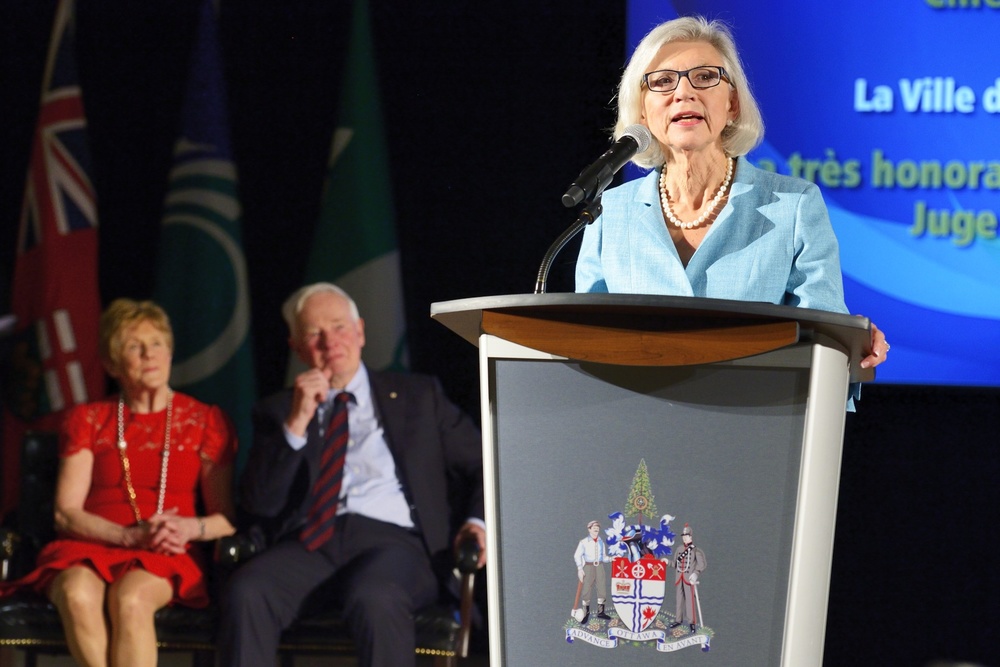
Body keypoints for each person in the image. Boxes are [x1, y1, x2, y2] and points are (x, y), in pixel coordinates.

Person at [574, 15, 889, 372]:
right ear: (642, 113)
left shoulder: (795, 207)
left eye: (705, 77)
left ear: (733, 104)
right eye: (662, 82)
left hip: (755, 414)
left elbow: (827, 341)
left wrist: (850, 340)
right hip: (636, 416)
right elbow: (588, 345)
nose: (683, 92)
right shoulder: (609, 212)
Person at [218, 282, 486, 667]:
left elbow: (482, 461)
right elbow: (258, 504)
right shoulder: (278, 411)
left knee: (374, 596)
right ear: (295, 346)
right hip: (311, 542)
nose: (330, 341)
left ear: (359, 331)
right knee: (248, 590)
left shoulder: (417, 396)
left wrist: (477, 522)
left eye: (339, 326)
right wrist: (296, 424)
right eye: (314, 333)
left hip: (396, 544)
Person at [0, 298, 237, 667]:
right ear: (112, 364)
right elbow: (66, 514)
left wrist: (188, 527)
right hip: (91, 542)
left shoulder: (206, 421)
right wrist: (127, 537)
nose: (149, 354)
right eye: (133, 346)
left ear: (171, 352)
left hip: (166, 551)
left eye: (157, 343)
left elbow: (226, 518)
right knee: (77, 594)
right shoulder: (90, 419)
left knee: (131, 599)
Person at [669, 523, 706, 635]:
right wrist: (667, 562)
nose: (684, 538)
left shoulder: (695, 551)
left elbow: (702, 564)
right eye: (683, 536)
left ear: (691, 537)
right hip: (679, 577)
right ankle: (678, 620)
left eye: (686, 536)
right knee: (679, 600)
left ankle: (692, 623)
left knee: (690, 602)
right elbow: (675, 564)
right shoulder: (679, 549)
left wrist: (696, 573)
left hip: (689, 579)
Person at [571, 520, 610, 624]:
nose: (596, 529)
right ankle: (586, 612)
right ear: (589, 529)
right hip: (588, 567)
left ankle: (601, 612)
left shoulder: (601, 541)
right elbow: (577, 555)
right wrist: (580, 568)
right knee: (586, 589)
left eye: (598, 528)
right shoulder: (584, 542)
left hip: (599, 566)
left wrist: (611, 559)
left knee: (602, 588)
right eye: (594, 527)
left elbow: (604, 557)